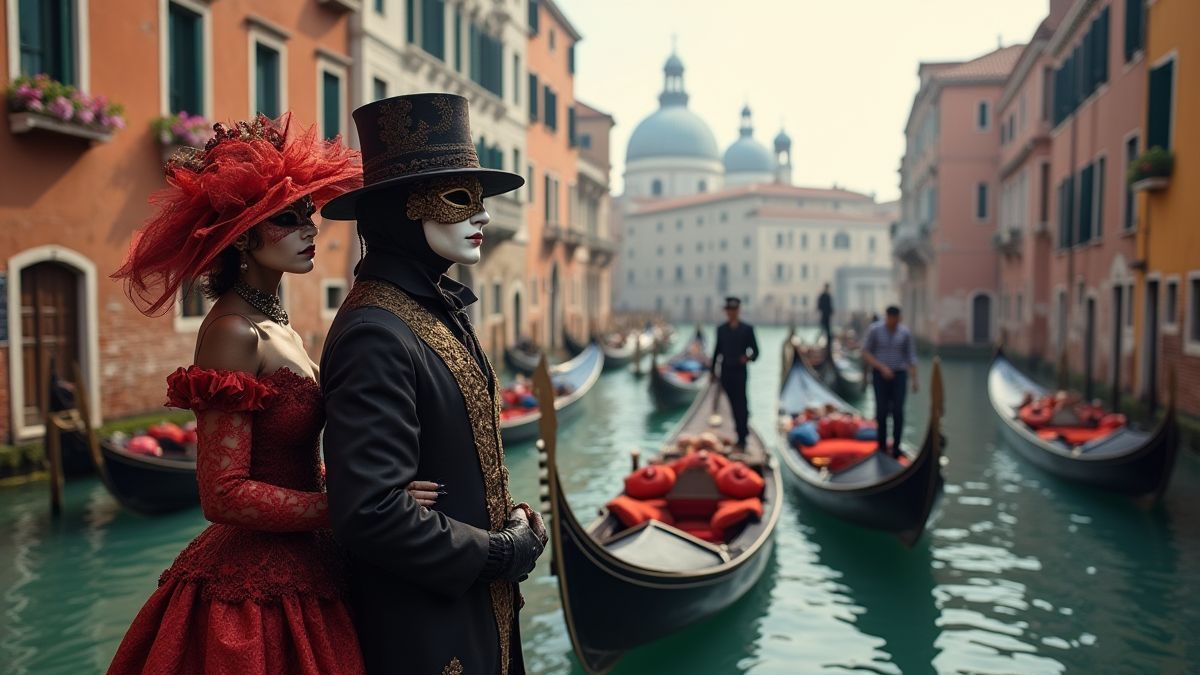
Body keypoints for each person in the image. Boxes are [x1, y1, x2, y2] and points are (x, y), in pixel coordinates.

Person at [107, 114, 445, 674]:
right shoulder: (231, 333)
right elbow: (224, 494)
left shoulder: (279, 325)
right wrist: (352, 508)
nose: (310, 229)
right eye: (287, 219)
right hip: (256, 594)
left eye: (308, 214)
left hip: (315, 558)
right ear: (242, 235)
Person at [319, 93, 547, 675]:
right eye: (458, 199)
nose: (483, 217)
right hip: (425, 627)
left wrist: (507, 523)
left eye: (479, 201)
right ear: (403, 210)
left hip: (475, 609)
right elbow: (370, 512)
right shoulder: (377, 332)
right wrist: (499, 552)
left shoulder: (430, 309)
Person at [861, 306, 919, 458]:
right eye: (891, 318)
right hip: (880, 376)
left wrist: (915, 379)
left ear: (899, 318)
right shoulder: (875, 330)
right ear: (887, 316)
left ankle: (896, 448)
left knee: (898, 411)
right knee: (881, 411)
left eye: (896, 318)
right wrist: (881, 367)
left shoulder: (905, 332)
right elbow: (866, 352)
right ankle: (881, 447)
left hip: (899, 375)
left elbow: (911, 357)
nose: (893, 321)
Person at [712, 297, 759, 447]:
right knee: (731, 403)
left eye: (733, 310)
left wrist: (747, 358)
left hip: (739, 372)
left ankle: (742, 435)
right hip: (725, 371)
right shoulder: (721, 329)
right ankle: (738, 431)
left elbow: (756, 352)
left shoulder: (747, 329)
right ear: (726, 312)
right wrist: (712, 371)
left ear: (738, 311)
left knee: (741, 403)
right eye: (729, 310)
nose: (731, 313)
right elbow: (717, 351)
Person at [817, 283, 834, 352]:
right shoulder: (825, 296)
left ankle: (827, 344)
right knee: (824, 329)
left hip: (826, 315)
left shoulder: (826, 296)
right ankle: (825, 343)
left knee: (826, 329)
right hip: (825, 315)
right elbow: (820, 306)